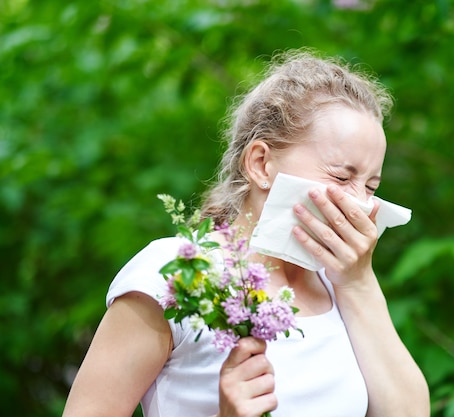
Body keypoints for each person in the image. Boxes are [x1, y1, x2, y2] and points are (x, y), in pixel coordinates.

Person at [63, 49, 430, 417]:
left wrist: (357, 281)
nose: (358, 204)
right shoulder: (177, 273)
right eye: (340, 176)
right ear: (261, 164)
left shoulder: (340, 285)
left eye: (370, 186)